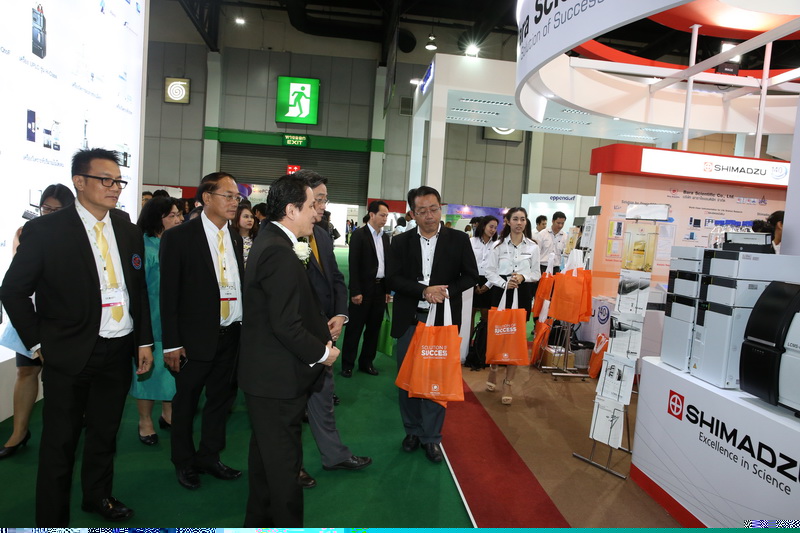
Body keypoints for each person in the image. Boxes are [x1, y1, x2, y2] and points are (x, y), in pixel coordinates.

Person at [0, 148, 153, 525]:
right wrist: (38, 343)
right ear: (79, 182)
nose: (114, 187)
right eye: (106, 179)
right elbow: (13, 290)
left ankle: (98, 496)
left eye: (118, 181)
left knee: (104, 433)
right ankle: (51, 519)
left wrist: (143, 341)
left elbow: (138, 290)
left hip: (118, 349)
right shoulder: (47, 230)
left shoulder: (127, 229)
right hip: (68, 354)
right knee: (60, 442)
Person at [238, 174, 341, 526]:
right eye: (312, 205)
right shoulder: (278, 251)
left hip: (267, 377)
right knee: (284, 469)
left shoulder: (271, 240)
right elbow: (285, 324)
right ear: (292, 209)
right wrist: (322, 353)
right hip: (276, 380)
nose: (317, 212)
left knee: (266, 462)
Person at [160, 172, 245, 491]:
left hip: (231, 334)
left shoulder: (234, 236)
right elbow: (169, 295)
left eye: (237, 197)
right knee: (186, 402)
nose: (235, 202)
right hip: (193, 339)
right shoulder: (179, 237)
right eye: (228, 196)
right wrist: (172, 343)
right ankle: (183, 461)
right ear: (207, 198)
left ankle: (210, 456)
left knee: (220, 401)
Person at [387, 186, 478, 463]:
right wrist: (423, 291)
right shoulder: (400, 242)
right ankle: (412, 431)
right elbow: (392, 278)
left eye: (434, 209)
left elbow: (471, 275)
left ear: (441, 209)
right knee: (407, 380)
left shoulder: (458, 240)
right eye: (422, 211)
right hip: (410, 320)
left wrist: (445, 291)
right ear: (412, 214)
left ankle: (431, 437)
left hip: (442, 321)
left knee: (436, 381)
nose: (429, 216)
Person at [293, 170, 372, 487]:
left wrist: (340, 314)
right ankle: (292, 466)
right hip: (298, 336)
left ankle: (334, 455)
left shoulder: (323, 235)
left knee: (323, 399)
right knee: (291, 406)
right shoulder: (285, 237)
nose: (323, 205)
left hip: (326, 334)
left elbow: (336, 280)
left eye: (325, 199)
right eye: (319, 199)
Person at [0, 184, 75, 461]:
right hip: (29, 315)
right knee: (25, 372)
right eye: (46, 208)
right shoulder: (25, 232)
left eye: (57, 210)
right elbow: (18, 277)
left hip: (62, 318)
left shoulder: (76, 235)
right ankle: (19, 433)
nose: (49, 214)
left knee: (68, 380)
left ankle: (71, 430)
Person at [130, 196, 183, 446]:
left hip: (174, 319)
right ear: (156, 218)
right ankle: (145, 421)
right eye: (172, 215)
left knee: (172, 369)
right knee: (147, 372)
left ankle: (168, 413)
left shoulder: (177, 243)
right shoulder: (143, 245)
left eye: (179, 214)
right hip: (150, 319)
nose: (178, 219)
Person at [484, 207, 541, 405]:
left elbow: (537, 273)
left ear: (526, 222)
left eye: (522, 219)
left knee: (516, 338)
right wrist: (504, 283)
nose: (519, 223)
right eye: (515, 219)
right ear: (507, 221)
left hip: (522, 293)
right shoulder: (497, 246)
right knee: (499, 334)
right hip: (501, 292)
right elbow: (489, 271)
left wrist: (523, 276)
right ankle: (493, 368)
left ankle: (508, 382)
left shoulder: (533, 246)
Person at [341, 200, 391, 378]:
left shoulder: (385, 237)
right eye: (382, 215)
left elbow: (387, 264)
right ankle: (347, 364)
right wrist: (355, 291)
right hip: (362, 290)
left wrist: (387, 290)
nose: (385, 219)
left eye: (386, 216)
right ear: (372, 215)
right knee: (354, 329)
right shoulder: (359, 235)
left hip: (380, 289)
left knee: (373, 329)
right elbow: (353, 265)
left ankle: (366, 362)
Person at [470, 215, 499, 325]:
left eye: (495, 228)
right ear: (483, 226)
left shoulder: (497, 244)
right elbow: (468, 263)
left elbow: (498, 266)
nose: (493, 230)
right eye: (491, 226)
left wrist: (488, 285)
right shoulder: (472, 241)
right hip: (472, 280)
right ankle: (468, 337)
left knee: (486, 316)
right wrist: (475, 284)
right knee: (470, 315)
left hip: (490, 281)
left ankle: (483, 337)